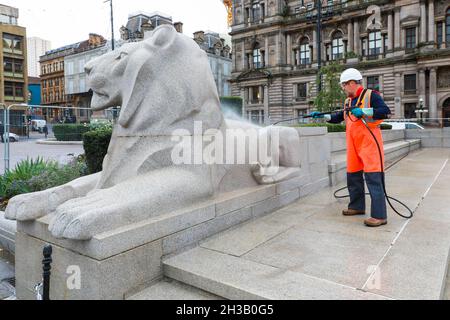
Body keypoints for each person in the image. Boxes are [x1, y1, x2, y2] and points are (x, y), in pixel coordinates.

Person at [311, 68, 391, 227]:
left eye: (344, 85)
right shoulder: (348, 101)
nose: (343, 88)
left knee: (373, 178)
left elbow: (385, 112)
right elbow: (338, 117)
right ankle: (356, 206)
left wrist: (364, 111)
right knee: (353, 176)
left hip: (370, 143)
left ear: (352, 83)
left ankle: (380, 216)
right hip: (353, 145)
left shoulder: (371, 95)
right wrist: (323, 116)